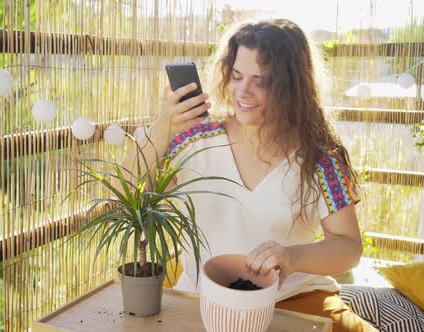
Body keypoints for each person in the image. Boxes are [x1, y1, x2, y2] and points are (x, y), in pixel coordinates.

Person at [122, 18, 376, 332]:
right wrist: (161, 129)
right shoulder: (191, 140)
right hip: (204, 304)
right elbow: (127, 197)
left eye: (261, 80)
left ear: (291, 86)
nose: (243, 91)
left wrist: (291, 257)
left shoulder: (321, 159)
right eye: (237, 76)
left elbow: (349, 247)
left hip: (293, 300)